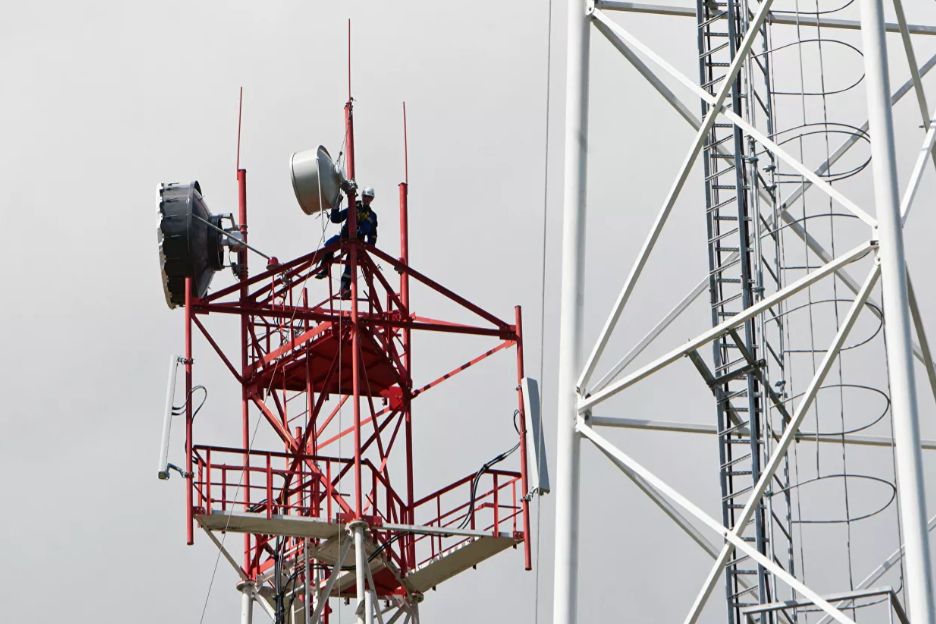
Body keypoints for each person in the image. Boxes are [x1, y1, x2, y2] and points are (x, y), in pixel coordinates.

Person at [315, 186, 378, 299]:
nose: (366, 199)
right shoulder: (353, 208)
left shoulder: (372, 216)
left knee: (350, 265)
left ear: (371, 199)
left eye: (369, 197)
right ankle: (324, 269)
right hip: (344, 237)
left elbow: (372, 234)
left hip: (358, 242)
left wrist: (369, 247)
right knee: (328, 246)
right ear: (362, 196)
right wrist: (336, 205)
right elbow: (336, 218)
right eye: (365, 196)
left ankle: (344, 288)